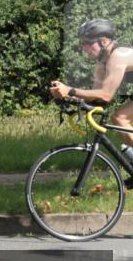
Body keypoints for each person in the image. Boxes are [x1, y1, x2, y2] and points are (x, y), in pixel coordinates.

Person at [49, 18, 133, 171]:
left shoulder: (118, 56)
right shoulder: (102, 63)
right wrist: (68, 97)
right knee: (119, 118)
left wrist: (70, 90)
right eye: (82, 43)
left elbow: (106, 95)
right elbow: (96, 97)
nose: (83, 47)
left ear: (103, 41)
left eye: (87, 42)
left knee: (120, 118)